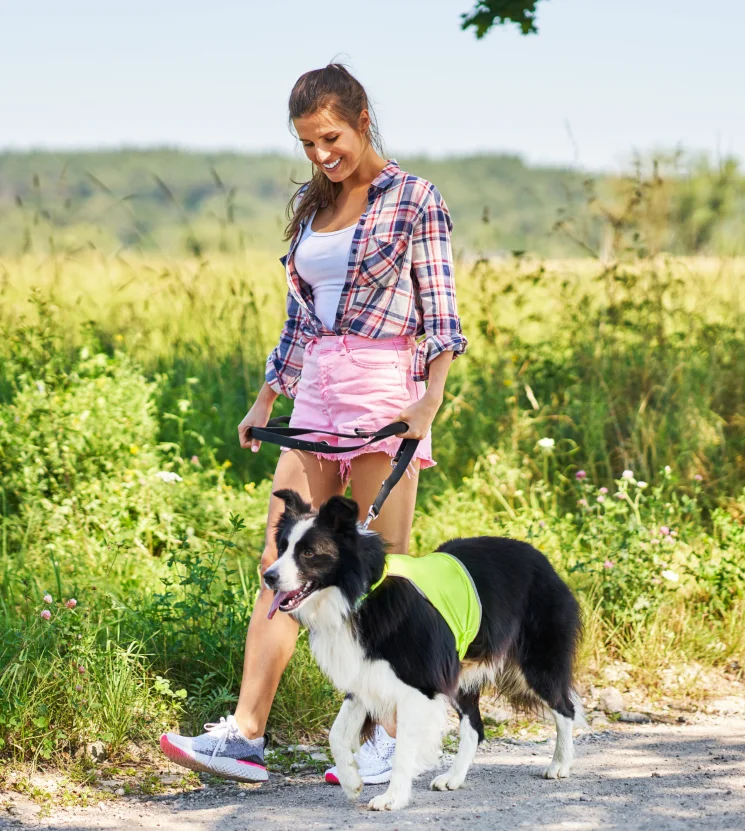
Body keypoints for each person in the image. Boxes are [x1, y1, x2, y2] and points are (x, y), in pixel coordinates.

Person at [159, 63, 467, 786]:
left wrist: (430, 400)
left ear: (362, 119)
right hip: (317, 394)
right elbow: (302, 316)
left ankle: (396, 731)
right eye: (307, 143)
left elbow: (443, 314)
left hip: (382, 391)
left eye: (330, 137)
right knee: (281, 557)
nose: (322, 154)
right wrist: (268, 396)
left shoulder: (415, 198)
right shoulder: (313, 205)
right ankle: (244, 734)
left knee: (380, 568)